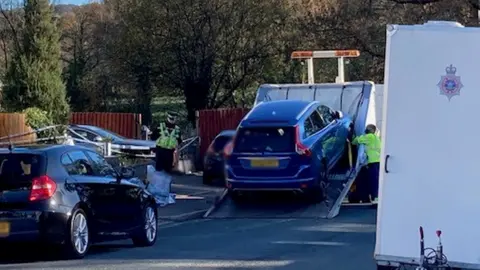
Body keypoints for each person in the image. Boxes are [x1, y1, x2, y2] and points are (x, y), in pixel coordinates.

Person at [352, 124, 381, 203]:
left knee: (371, 180)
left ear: (372, 130)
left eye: (368, 128)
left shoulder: (370, 136)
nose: (366, 129)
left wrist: (354, 138)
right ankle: (373, 196)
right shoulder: (376, 138)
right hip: (377, 161)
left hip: (372, 162)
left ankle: (374, 197)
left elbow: (356, 141)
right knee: (374, 180)